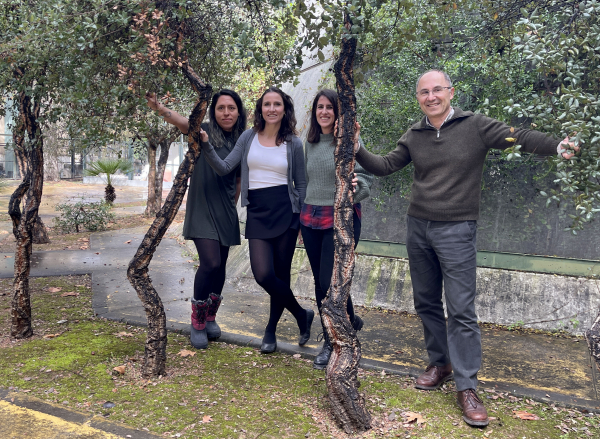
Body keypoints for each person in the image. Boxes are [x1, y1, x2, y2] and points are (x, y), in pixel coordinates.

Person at [353, 69, 578, 427]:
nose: (431, 97)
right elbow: (385, 166)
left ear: (451, 92)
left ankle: (467, 385)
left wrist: (557, 146)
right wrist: (358, 148)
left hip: (457, 229)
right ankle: (439, 363)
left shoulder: (475, 126)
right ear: (418, 98)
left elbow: (518, 137)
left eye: (437, 90)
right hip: (418, 227)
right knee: (426, 301)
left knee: (460, 308)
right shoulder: (414, 134)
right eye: (424, 92)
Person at [198, 87, 314, 354]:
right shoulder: (248, 137)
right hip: (258, 211)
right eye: (267, 104)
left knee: (280, 275)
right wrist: (206, 145)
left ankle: (270, 330)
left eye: (277, 104)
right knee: (263, 274)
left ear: (285, 109)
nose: (271, 109)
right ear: (260, 109)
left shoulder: (294, 143)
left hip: (287, 212)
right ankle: (300, 314)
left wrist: (302, 217)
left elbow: (302, 182)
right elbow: (226, 166)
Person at [146, 89, 246, 350]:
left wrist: (231, 206)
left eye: (231, 108)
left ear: (238, 112)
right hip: (201, 206)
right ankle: (198, 321)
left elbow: (237, 180)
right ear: (214, 111)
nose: (226, 113)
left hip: (225, 209)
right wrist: (159, 108)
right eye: (221, 108)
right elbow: (180, 121)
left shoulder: (242, 139)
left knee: (222, 265)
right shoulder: (202, 131)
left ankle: (211, 316)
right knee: (210, 262)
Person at [301, 89, 373, 370]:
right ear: (314, 111)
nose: (324, 112)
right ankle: (349, 321)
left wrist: (354, 190)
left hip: (341, 218)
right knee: (324, 283)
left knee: (328, 282)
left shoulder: (349, 141)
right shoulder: (309, 143)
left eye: (330, 107)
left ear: (338, 113)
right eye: (320, 107)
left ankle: (333, 341)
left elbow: (365, 179)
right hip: (310, 218)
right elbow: (305, 181)